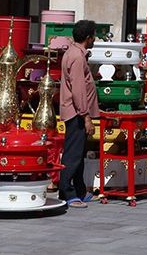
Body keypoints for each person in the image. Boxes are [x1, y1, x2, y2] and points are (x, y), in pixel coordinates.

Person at [58, 19, 99, 209]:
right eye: (94, 36)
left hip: (77, 111)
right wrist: (86, 116)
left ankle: (80, 190)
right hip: (76, 113)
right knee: (73, 154)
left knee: (78, 153)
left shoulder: (75, 53)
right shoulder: (76, 56)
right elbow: (78, 90)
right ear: (88, 37)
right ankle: (66, 192)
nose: (95, 39)